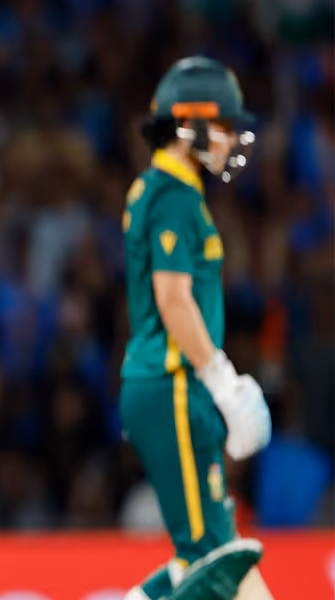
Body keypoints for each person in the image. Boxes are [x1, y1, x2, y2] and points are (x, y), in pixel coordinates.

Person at [120, 57, 273, 600]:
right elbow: (172, 298)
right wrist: (223, 382)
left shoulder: (162, 191)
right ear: (193, 123)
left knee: (207, 557)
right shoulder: (173, 197)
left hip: (166, 387)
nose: (233, 141)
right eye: (226, 126)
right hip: (174, 385)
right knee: (215, 562)